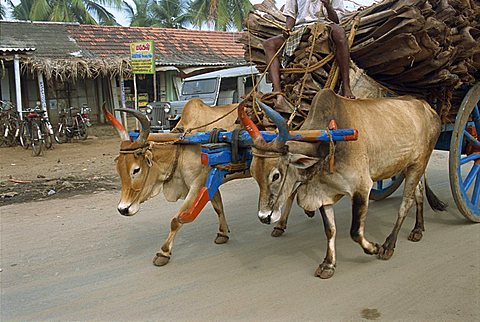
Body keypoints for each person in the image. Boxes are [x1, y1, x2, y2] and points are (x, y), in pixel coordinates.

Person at [262, 0, 355, 106]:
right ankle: (277, 91)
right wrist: (288, 28)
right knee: (268, 44)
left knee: (340, 33)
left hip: (325, 25)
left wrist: (327, 5)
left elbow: (336, 20)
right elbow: (291, 16)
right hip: (301, 29)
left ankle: (346, 86)